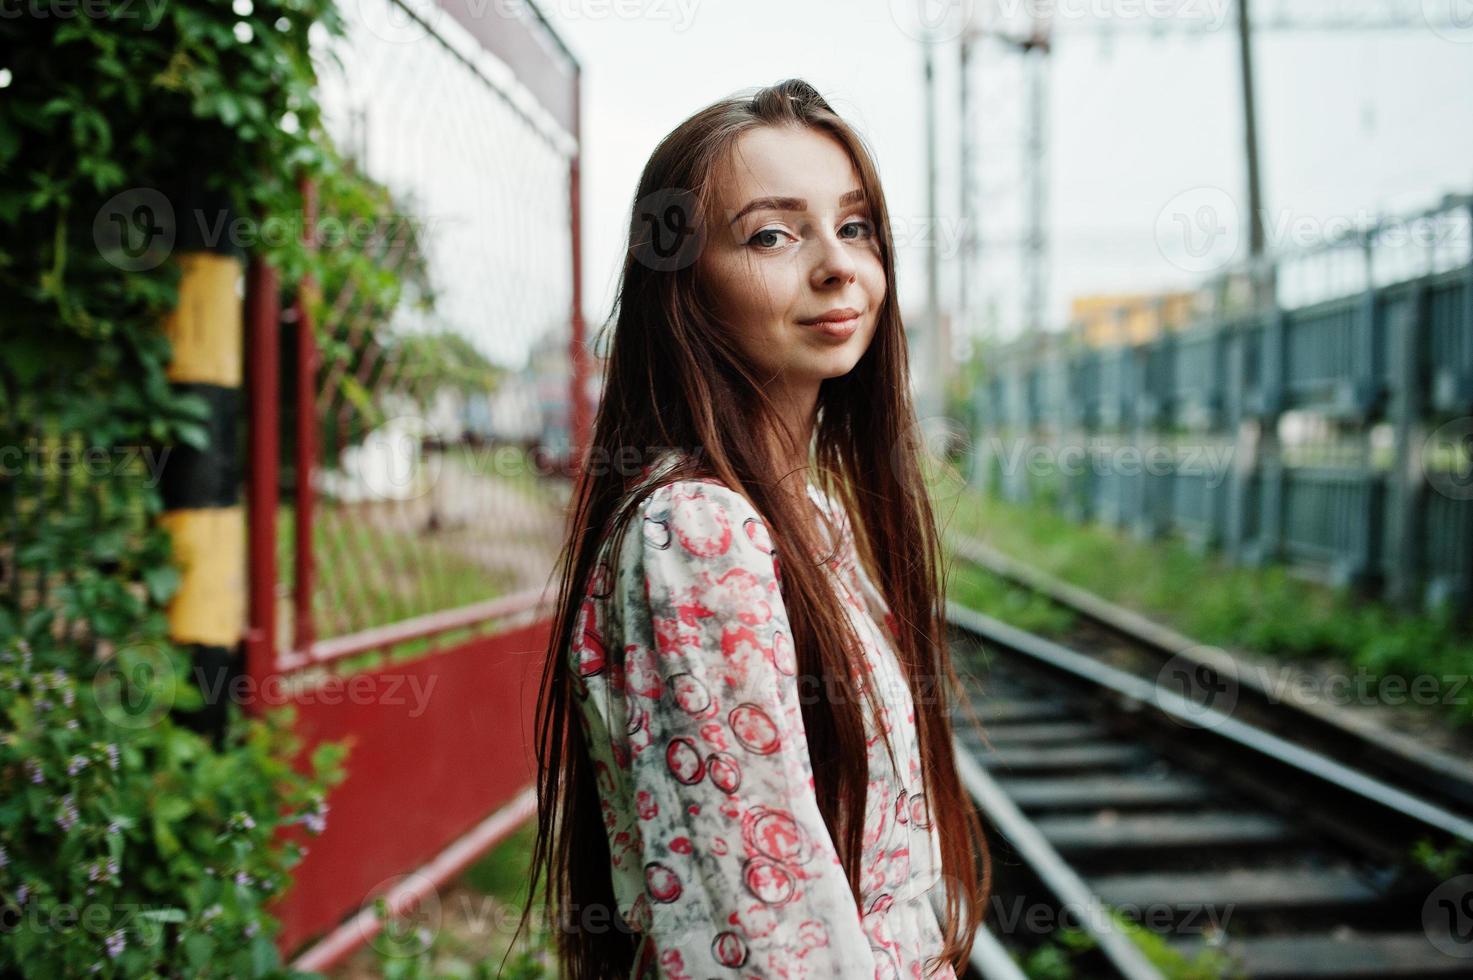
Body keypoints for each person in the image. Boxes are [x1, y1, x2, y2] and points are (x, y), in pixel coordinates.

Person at [518, 77, 990, 979]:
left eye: (854, 227)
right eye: (771, 234)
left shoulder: (806, 517)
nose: (836, 265)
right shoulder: (697, 532)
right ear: (682, 287)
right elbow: (766, 937)